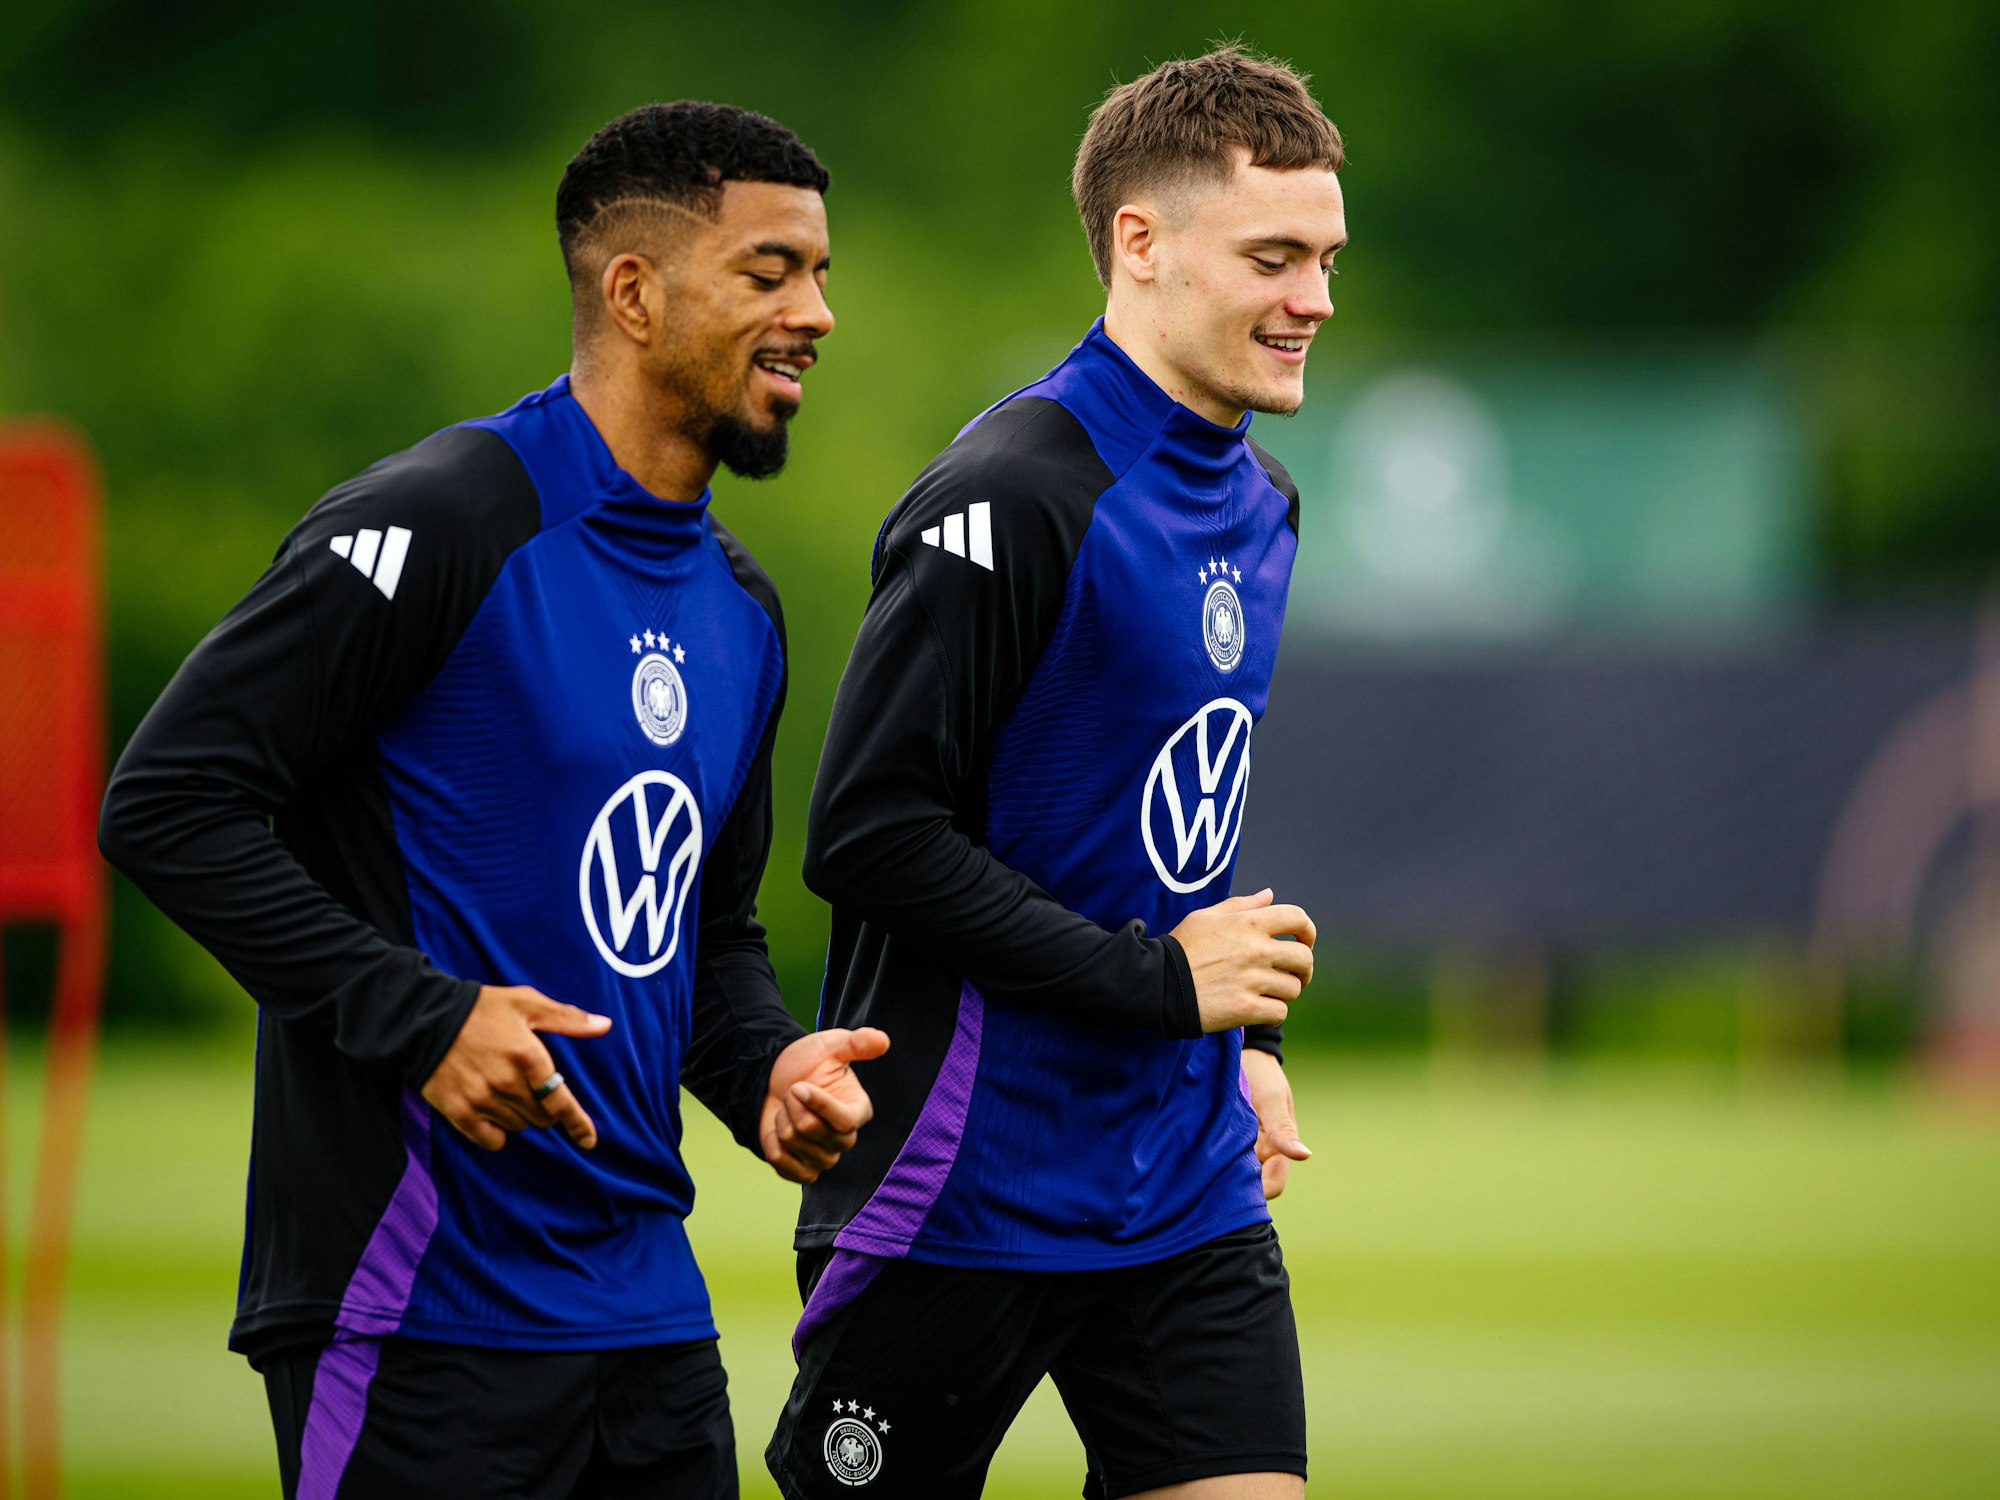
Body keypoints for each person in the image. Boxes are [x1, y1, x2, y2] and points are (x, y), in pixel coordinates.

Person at [98, 101, 886, 1500]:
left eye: (819, 274)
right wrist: (428, 1018)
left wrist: (765, 1066)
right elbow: (170, 802)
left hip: (652, 1325)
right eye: (770, 273)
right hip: (416, 1303)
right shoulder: (440, 522)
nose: (816, 312)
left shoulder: (744, 613)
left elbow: (701, 942)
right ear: (634, 293)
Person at [765, 46, 1345, 1499]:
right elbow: (868, 832)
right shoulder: (1015, 492)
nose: (1316, 301)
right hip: (967, 1180)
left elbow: (1154, 826)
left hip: (1181, 1180)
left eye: (1328, 258)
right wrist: (1163, 984)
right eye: (1275, 258)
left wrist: (1241, 1041)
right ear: (1139, 246)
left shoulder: (1265, 501)